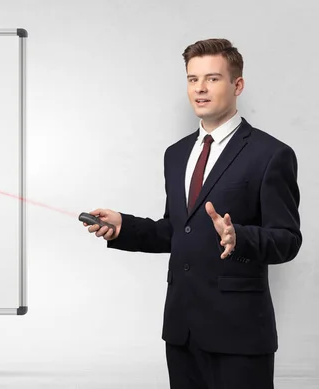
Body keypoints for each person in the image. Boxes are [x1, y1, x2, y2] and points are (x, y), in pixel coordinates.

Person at [85, 38, 302, 388]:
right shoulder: (176, 154)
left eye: (213, 78)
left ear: (237, 84)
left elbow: (288, 240)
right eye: (192, 79)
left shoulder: (271, 154)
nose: (200, 88)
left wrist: (240, 236)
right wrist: (123, 226)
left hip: (239, 333)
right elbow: (177, 231)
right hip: (182, 330)